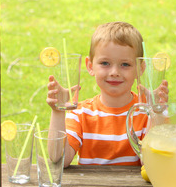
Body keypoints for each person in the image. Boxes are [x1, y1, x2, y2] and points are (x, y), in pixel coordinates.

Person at [46, 21, 168, 167]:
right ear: (90, 66)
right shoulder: (80, 113)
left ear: (140, 68)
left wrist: (156, 114)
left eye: (125, 64)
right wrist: (58, 111)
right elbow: (58, 159)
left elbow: (152, 164)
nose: (114, 72)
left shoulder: (144, 113)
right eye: (105, 63)